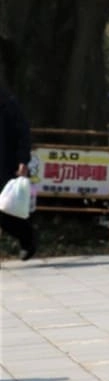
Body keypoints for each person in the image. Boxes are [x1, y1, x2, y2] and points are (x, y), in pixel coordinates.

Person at [0, 85, 35, 260]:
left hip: (6, 163)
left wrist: (23, 159)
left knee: (5, 209)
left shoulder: (7, 102)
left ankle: (27, 238)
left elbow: (23, 133)